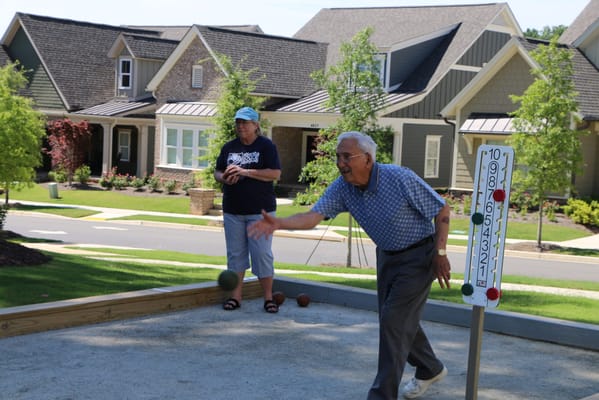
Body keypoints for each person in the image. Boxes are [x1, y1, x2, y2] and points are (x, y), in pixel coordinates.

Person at [248, 131, 451, 399]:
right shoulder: (343, 188)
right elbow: (312, 217)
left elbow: (442, 210)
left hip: (419, 255)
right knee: (395, 320)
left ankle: (381, 395)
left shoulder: (399, 178)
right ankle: (430, 368)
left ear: (367, 159)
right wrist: (280, 223)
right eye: (338, 156)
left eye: (347, 156)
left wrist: (440, 252)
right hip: (388, 256)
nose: (341, 162)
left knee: (393, 320)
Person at [214, 106, 282, 313]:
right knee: (235, 255)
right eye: (238, 122)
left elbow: (275, 174)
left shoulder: (266, 146)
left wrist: (245, 171)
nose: (241, 126)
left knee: (261, 254)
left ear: (255, 125)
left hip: (260, 212)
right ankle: (235, 297)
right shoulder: (229, 147)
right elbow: (217, 172)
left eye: (245, 122)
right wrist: (225, 178)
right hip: (233, 209)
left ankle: (268, 298)